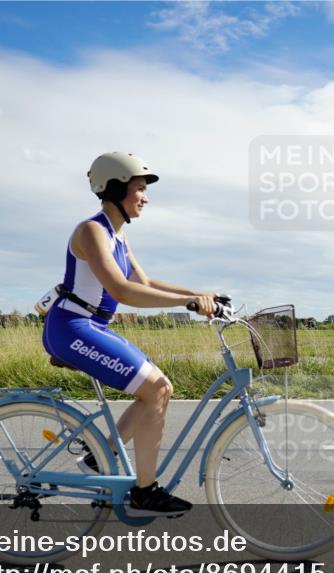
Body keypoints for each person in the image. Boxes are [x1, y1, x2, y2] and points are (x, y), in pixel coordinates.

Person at [42, 152, 217, 517]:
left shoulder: (119, 238)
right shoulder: (92, 230)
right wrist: (188, 303)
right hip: (72, 327)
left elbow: (146, 283)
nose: (145, 197)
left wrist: (199, 295)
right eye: (139, 188)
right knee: (156, 389)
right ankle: (145, 491)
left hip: (90, 327)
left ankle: (100, 457)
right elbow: (122, 291)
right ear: (117, 188)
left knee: (158, 389)